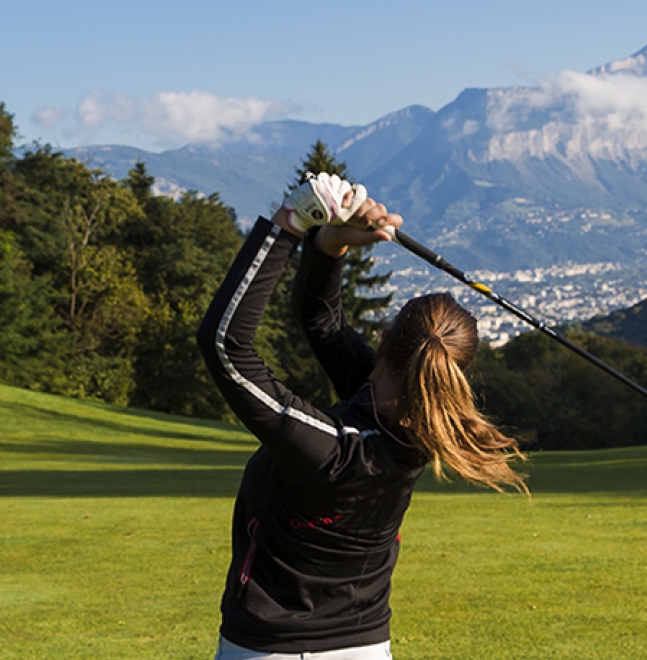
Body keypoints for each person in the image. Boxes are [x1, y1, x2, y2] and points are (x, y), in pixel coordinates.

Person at [197, 173, 527, 659]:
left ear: (387, 341)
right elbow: (321, 320)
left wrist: (290, 224)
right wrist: (329, 244)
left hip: (275, 650)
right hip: (367, 646)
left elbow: (227, 347)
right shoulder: (417, 428)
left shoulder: (336, 449)